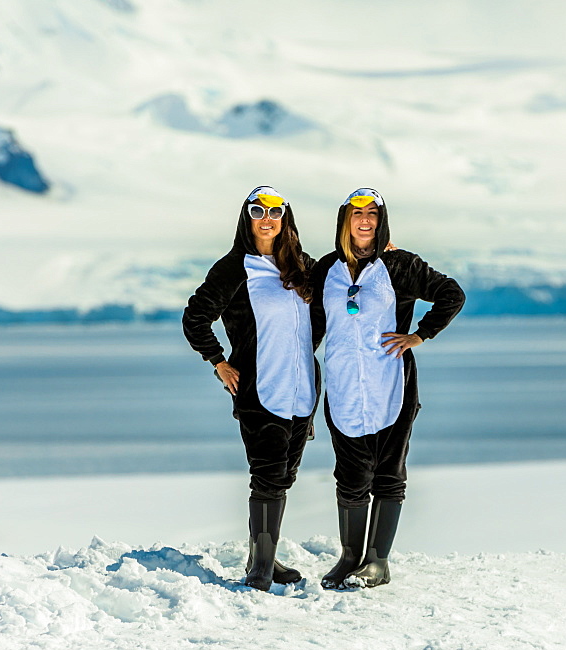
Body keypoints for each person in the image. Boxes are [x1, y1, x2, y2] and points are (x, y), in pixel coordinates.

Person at [311, 187, 465, 588]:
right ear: (344, 219)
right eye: (357, 213)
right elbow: (308, 325)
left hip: (391, 384)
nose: (365, 220)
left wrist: (420, 335)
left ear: (382, 220)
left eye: (373, 214)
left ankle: (377, 563)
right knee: (350, 475)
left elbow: (451, 294)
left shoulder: (400, 265)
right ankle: (349, 559)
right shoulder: (326, 269)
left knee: (388, 473)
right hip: (343, 387)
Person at [183, 186, 319, 591]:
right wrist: (219, 363)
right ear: (247, 217)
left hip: (303, 389)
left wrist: (383, 252)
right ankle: (260, 569)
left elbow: (342, 286)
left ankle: (264, 558)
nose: (267, 218)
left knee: (285, 476)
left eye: (275, 212)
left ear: (285, 218)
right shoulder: (233, 268)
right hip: (260, 388)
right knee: (267, 476)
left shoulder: (302, 265)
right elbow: (196, 317)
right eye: (258, 210)